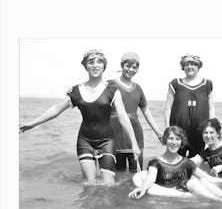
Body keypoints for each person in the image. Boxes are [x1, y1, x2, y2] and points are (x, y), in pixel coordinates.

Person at [19, 50, 140, 186]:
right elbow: (56, 109)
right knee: (89, 183)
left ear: (104, 66)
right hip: (85, 141)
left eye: (99, 62)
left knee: (108, 185)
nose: (95, 65)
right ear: (85, 66)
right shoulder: (76, 91)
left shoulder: (112, 90)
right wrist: (32, 124)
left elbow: (123, 118)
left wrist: (134, 144)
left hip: (108, 142)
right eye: (91, 62)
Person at [128, 126, 222, 207]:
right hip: (173, 197)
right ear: (164, 141)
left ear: (181, 143)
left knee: (202, 179)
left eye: (177, 139)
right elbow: (151, 177)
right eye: (170, 138)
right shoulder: (155, 162)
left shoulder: (187, 163)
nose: (174, 142)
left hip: (189, 196)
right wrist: (142, 189)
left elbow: (209, 178)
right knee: (192, 182)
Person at [108, 51, 163, 172]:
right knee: (118, 173)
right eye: (128, 65)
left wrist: (159, 134)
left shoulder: (138, 88)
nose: (131, 69)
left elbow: (146, 112)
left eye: (135, 67)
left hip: (136, 136)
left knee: (136, 172)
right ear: (122, 65)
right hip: (115, 137)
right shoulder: (110, 85)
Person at [164, 53, 215, 158]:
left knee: (194, 164)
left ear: (198, 67)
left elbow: (211, 109)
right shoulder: (175, 84)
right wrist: (167, 130)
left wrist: (213, 129)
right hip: (178, 134)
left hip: (199, 134)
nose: (190, 67)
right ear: (183, 67)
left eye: (193, 64)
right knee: (175, 162)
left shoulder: (207, 84)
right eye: (186, 64)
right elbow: (167, 109)